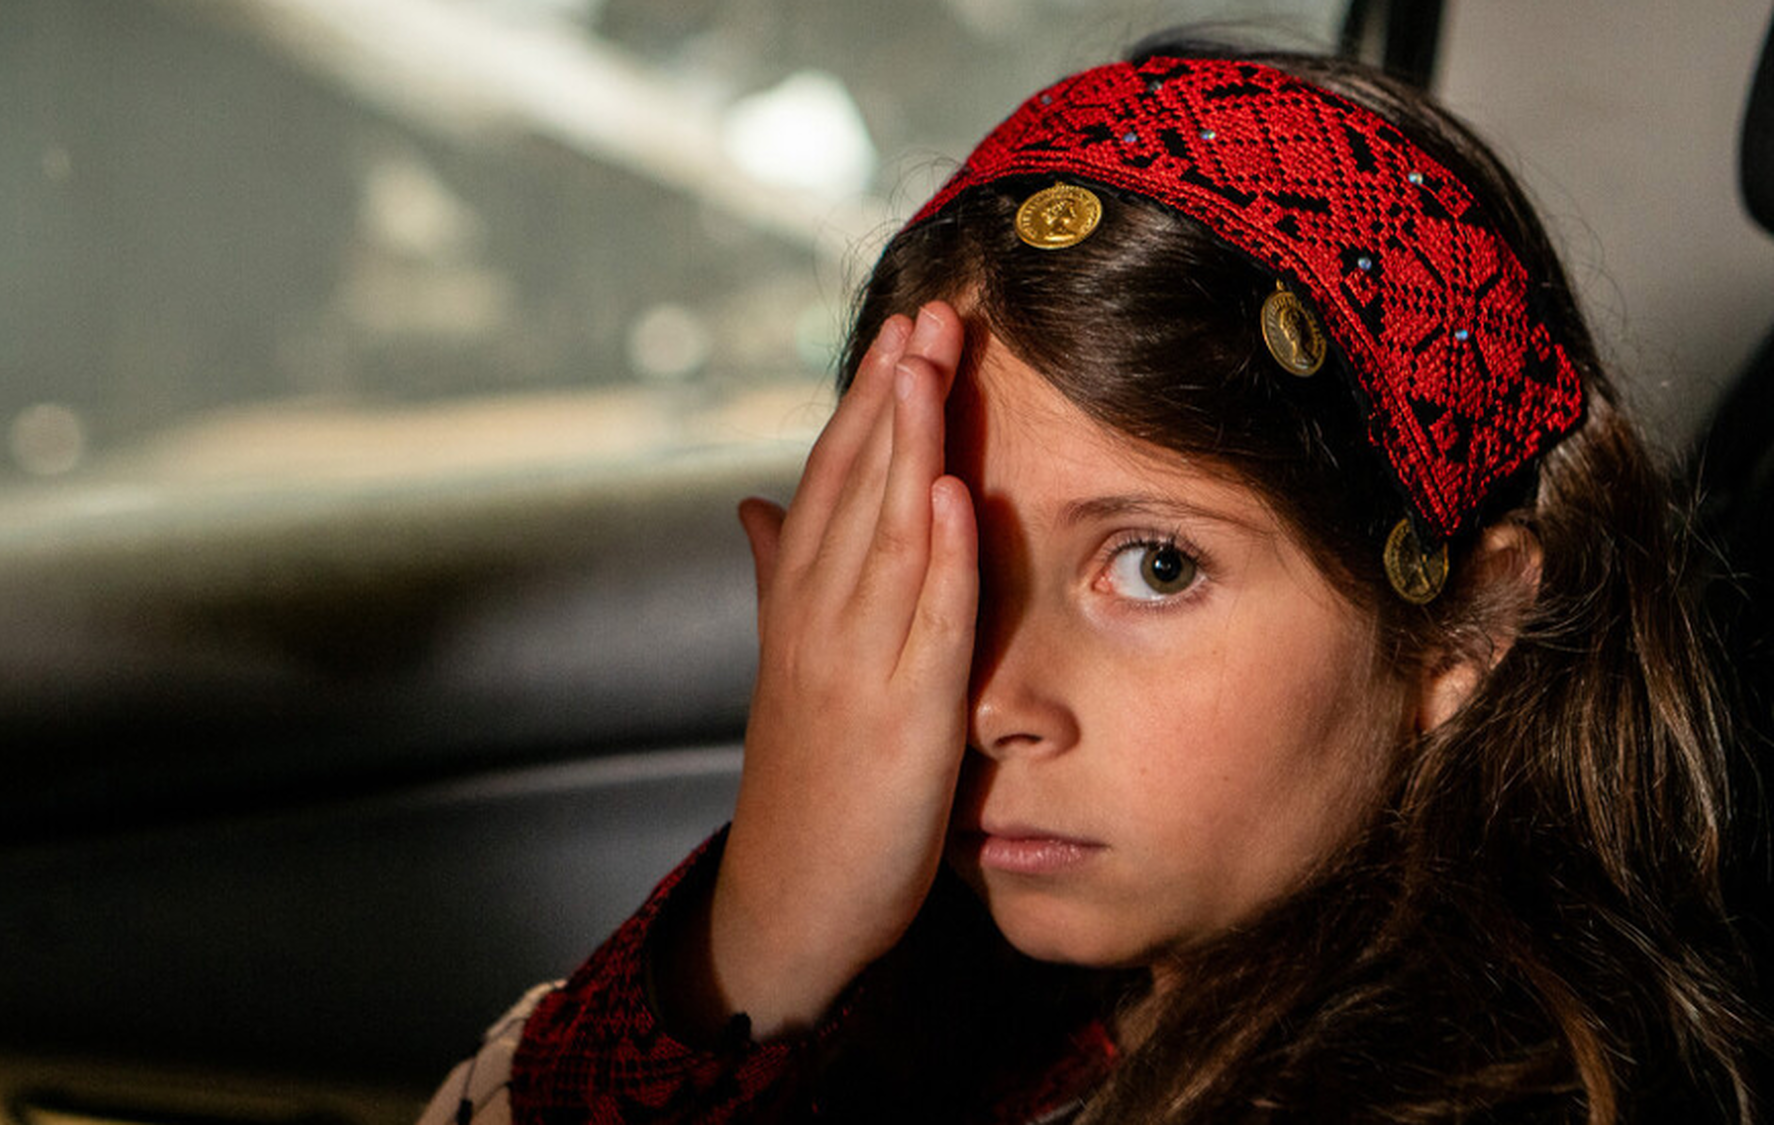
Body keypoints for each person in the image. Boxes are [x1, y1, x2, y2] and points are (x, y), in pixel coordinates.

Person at [426, 41, 1763, 1124]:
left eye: (1157, 565)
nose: (994, 696)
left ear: (1460, 629)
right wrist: (764, 935)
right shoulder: (979, 1005)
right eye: (947, 565)